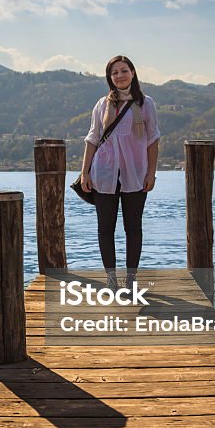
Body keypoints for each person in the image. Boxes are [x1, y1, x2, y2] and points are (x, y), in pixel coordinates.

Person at [80, 54, 160, 292]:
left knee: (133, 227)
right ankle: (111, 278)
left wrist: (151, 173)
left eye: (123, 70)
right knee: (105, 228)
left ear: (133, 73)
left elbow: (153, 140)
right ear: (110, 78)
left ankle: (131, 278)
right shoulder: (102, 105)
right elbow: (92, 139)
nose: (119, 76)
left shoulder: (146, 103)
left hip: (136, 174)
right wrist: (85, 173)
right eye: (114, 73)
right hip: (104, 174)